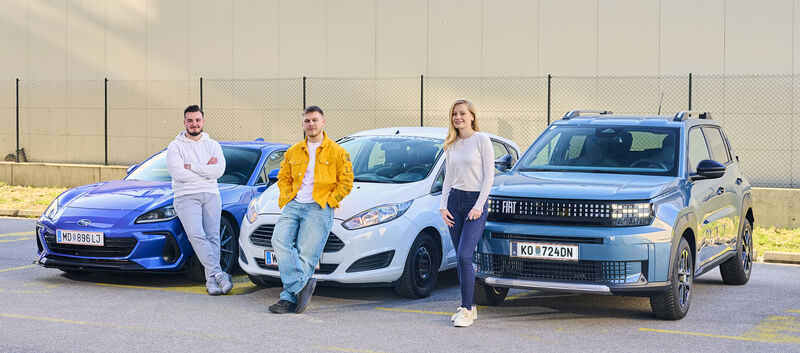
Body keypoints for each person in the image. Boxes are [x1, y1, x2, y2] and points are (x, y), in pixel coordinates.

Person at [269, 106, 354, 314]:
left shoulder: (338, 152)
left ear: (323, 122)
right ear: (303, 124)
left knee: (307, 254)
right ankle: (300, 286)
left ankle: (288, 299)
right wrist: (288, 194)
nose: (311, 124)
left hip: (319, 206)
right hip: (294, 203)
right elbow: (283, 177)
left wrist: (330, 200)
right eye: (307, 121)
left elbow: (346, 182)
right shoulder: (293, 151)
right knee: (278, 240)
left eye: (315, 120)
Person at [166, 105, 232, 296]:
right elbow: (178, 173)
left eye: (197, 120)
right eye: (190, 120)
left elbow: (219, 171)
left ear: (203, 121)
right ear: (184, 122)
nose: (194, 124)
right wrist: (205, 172)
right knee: (196, 235)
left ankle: (211, 280)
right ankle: (219, 273)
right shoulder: (175, 146)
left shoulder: (213, 145)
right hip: (186, 195)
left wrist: (193, 167)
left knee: (213, 236)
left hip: (211, 194)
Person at [439, 99, 494, 327]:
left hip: (475, 203)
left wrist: (479, 205)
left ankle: (466, 309)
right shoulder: (451, 144)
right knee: (461, 260)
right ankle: (469, 306)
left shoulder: (482, 140)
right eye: (454, 114)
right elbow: (448, 178)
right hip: (454, 203)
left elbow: (489, 176)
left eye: (462, 113)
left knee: (464, 256)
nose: (458, 117)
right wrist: (443, 206)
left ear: (472, 116)